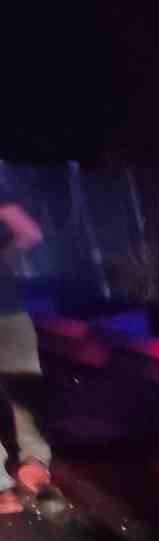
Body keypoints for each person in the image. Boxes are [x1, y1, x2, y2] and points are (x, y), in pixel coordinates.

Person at [1, 188, 51, 517]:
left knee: (24, 390)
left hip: (8, 310)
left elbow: (30, 234)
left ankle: (29, 468)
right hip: (9, 309)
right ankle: (26, 470)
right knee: (23, 390)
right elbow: (29, 234)